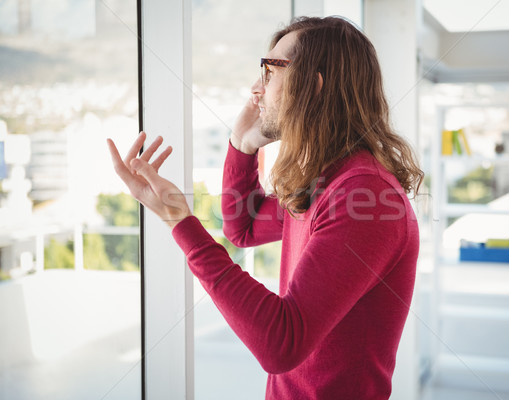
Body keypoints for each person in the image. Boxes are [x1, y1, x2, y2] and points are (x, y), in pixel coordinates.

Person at [108, 16, 423, 400]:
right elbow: (244, 227)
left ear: (314, 86)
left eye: (270, 72)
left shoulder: (365, 196)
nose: (256, 89)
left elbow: (281, 344)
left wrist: (179, 219)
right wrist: (242, 144)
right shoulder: (328, 181)